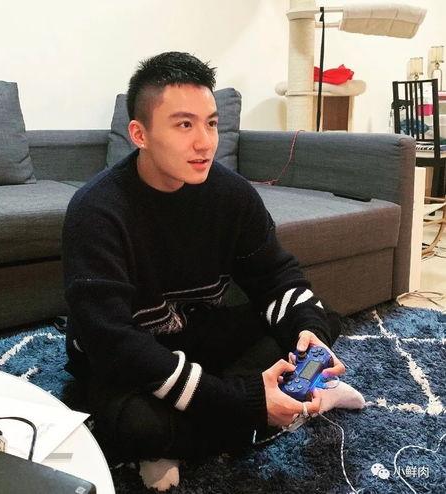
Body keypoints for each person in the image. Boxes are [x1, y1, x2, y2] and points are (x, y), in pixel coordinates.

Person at [62, 51, 363, 491]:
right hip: (124, 357)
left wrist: (307, 332)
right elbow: (113, 343)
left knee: (317, 317)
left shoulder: (232, 195)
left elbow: (277, 277)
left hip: (197, 337)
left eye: (211, 123)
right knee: (136, 426)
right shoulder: (96, 211)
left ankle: (259, 406)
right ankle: (285, 407)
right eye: (184, 125)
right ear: (139, 134)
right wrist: (244, 401)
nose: (205, 142)